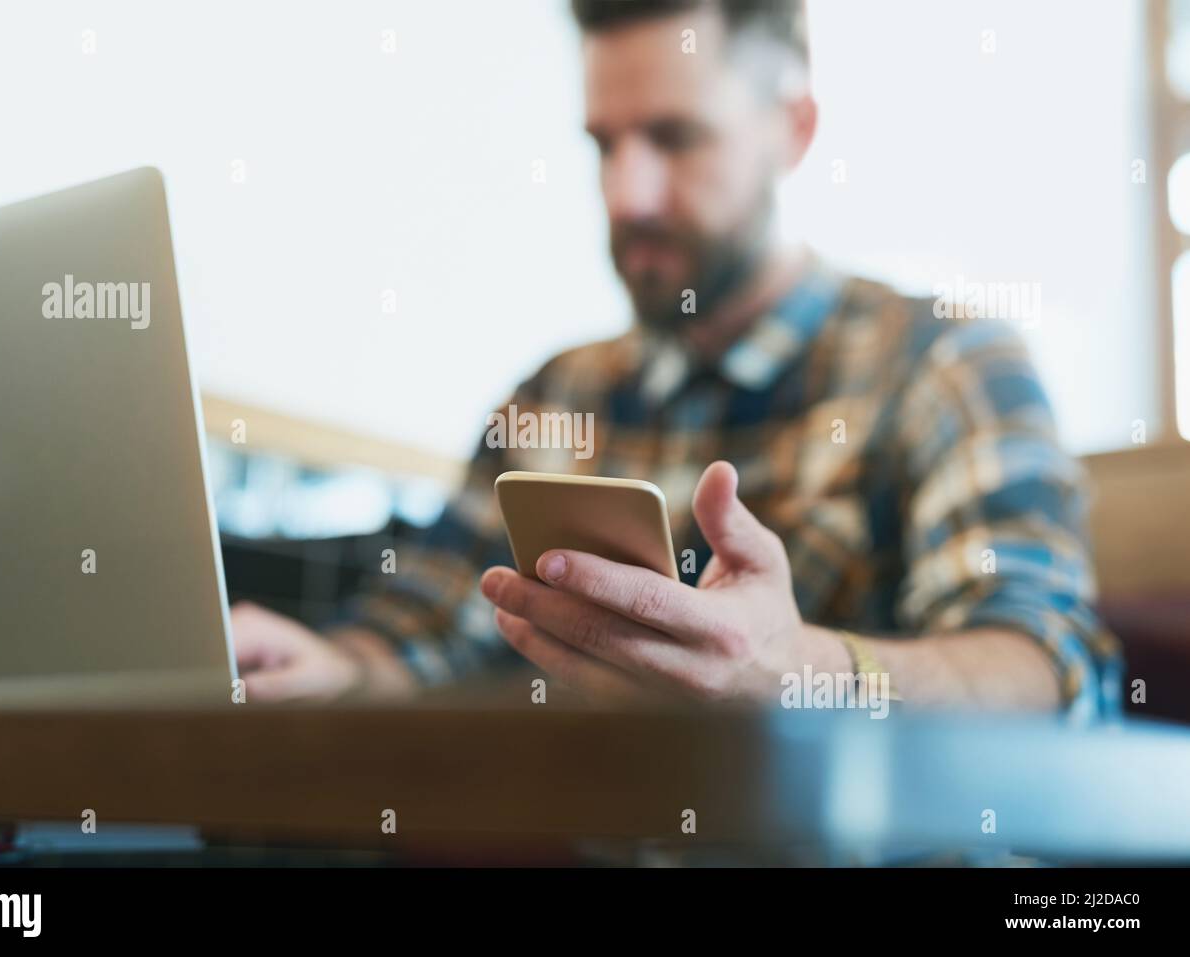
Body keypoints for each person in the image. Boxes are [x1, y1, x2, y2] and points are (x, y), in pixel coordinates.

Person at [232, 0, 1121, 719]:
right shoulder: (553, 395)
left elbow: (1047, 671)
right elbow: (420, 629)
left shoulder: (945, 366)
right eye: (604, 145)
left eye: (675, 137)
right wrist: (334, 669)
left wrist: (798, 669)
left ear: (794, 128)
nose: (628, 193)